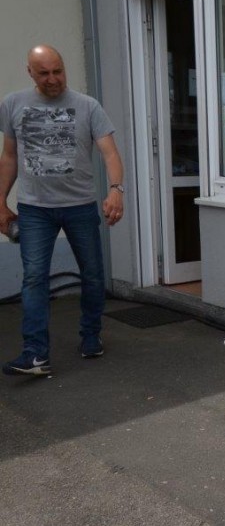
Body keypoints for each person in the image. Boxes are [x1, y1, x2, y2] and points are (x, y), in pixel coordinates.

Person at [0, 44, 126, 376]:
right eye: (44, 73)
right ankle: (35, 354)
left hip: (80, 206)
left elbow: (109, 153)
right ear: (30, 72)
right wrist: (0, 203)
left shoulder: (87, 106)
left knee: (93, 275)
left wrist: (116, 189)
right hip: (34, 209)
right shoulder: (13, 104)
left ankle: (90, 335)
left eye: (58, 70)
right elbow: (9, 157)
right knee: (34, 278)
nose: (53, 79)